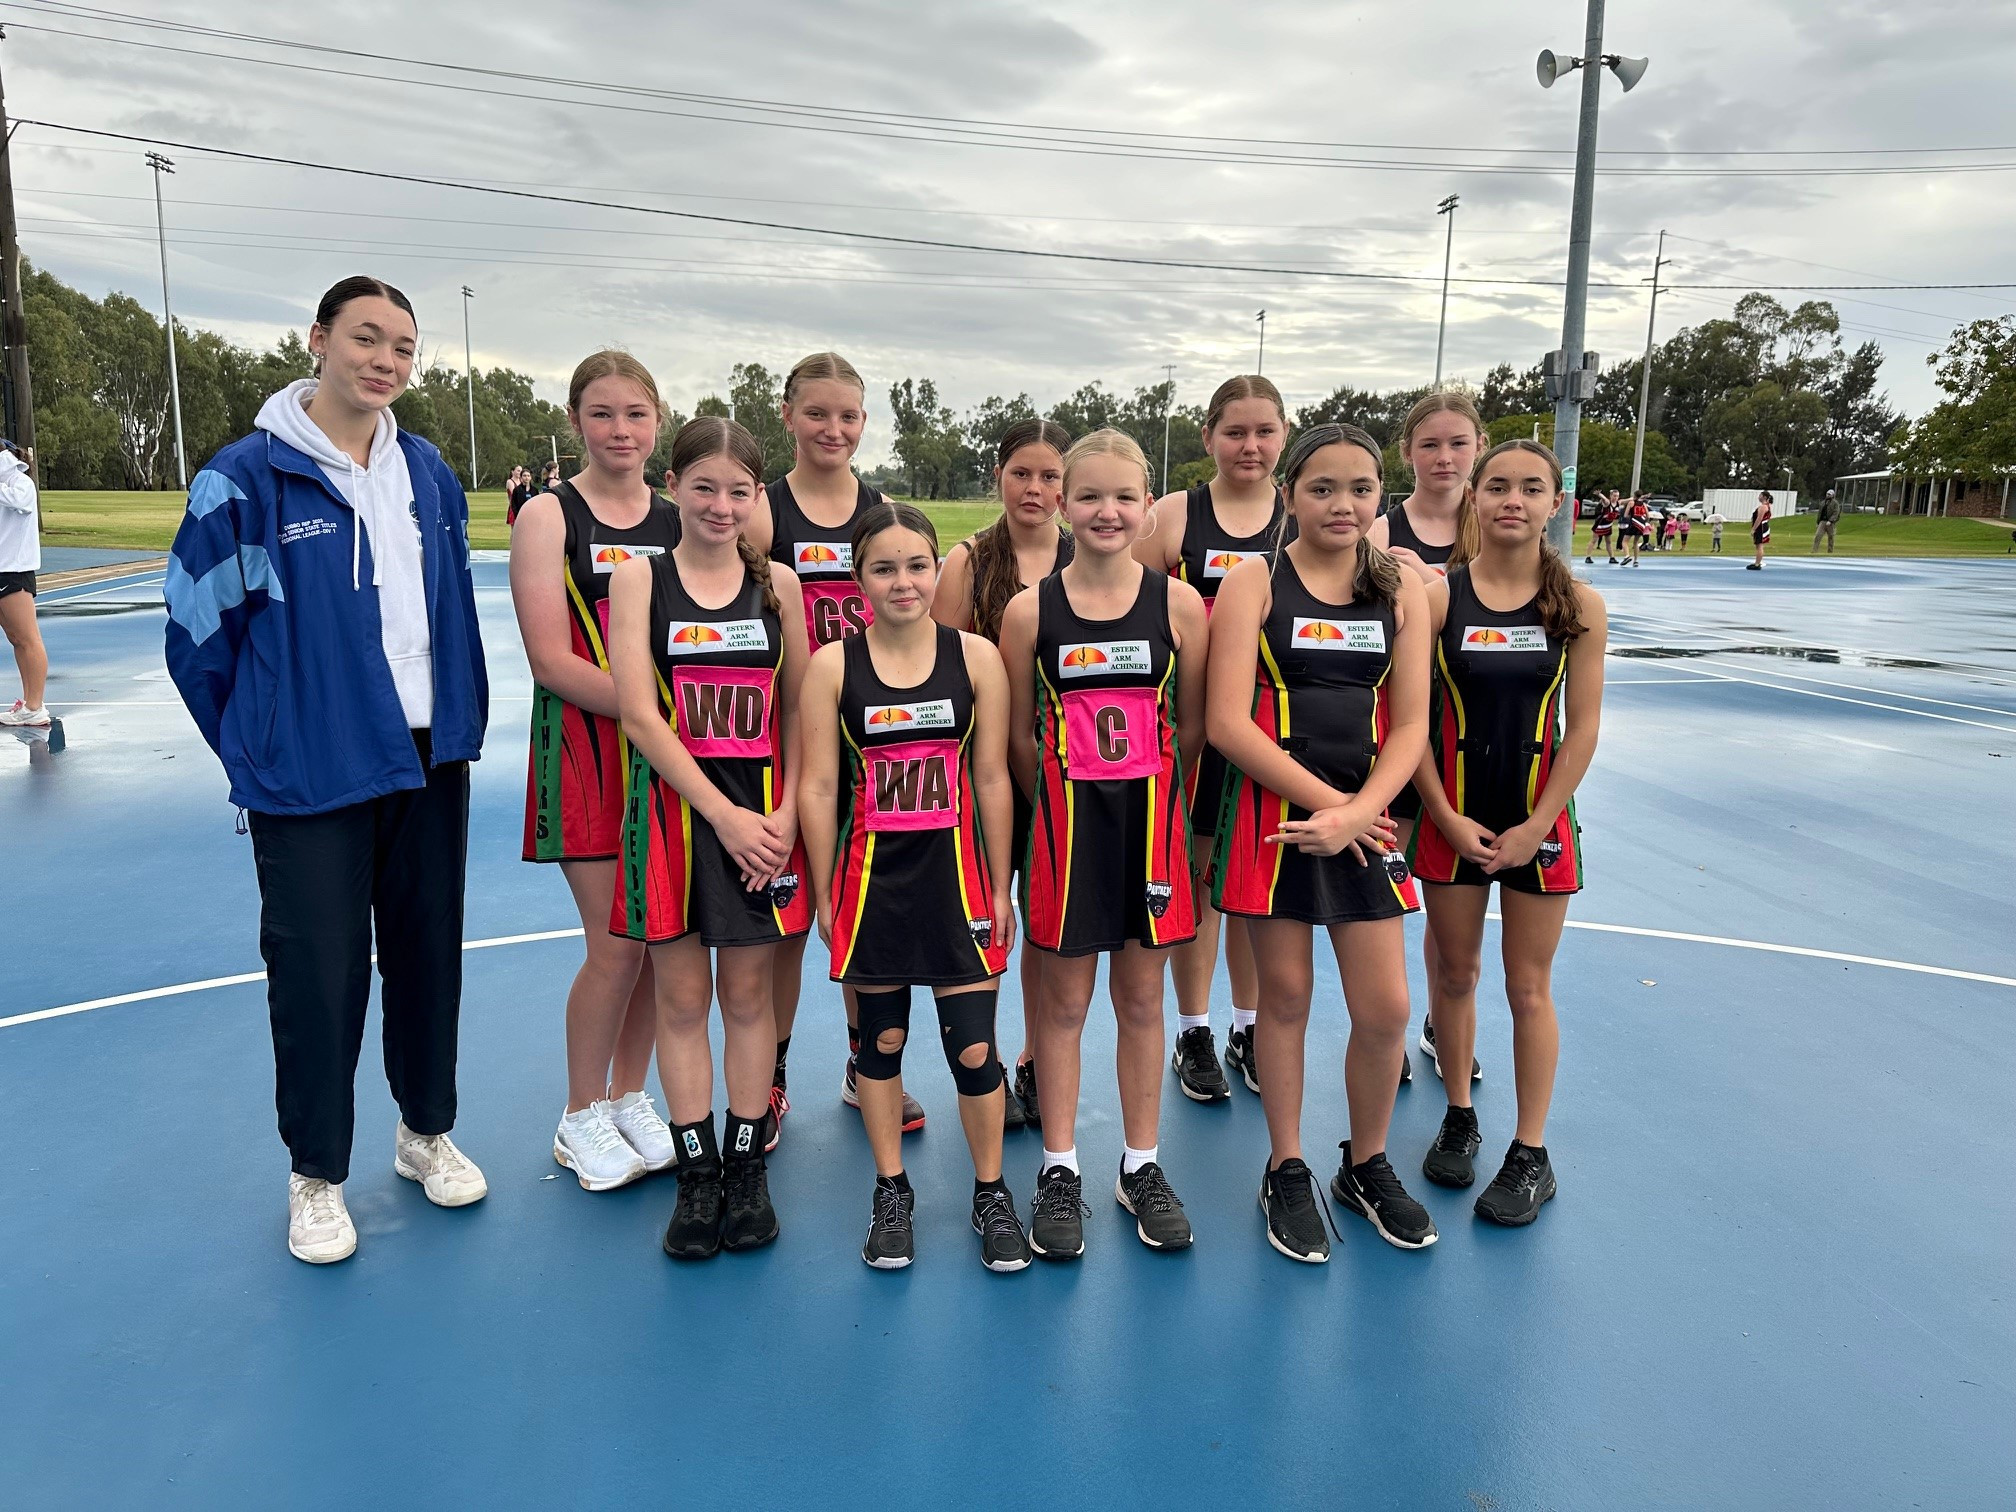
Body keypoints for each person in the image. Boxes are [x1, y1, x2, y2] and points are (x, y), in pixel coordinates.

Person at [164, 275, 489, 1265]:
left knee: (430, 956)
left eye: (402, 344)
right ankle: (316, 1176)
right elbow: (195, 632)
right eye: (366, 338)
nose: (385, 360)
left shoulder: (427, 470)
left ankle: (424, 1132)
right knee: (318, 974)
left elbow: (449, 611)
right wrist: (262, 743)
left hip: (427, 758)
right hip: (308, 774)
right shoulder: (244, 478)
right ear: (318, 339)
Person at [1207, 423, 1436, 1262]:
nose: (1343, 504)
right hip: (1279, 824)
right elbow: (1228, 722)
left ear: (1381, 496)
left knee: (1386, 1010)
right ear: (1291, 493)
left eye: (1361, 489)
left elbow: (1412, 723)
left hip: (1365, 824)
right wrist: (1328, 808)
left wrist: (1361, 809)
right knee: (1288, 1000)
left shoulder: (1400, 588)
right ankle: (1288, 1165)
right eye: (1323, 488)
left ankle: (1366, 1162)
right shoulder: (1253, 582)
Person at [800, 502, 1031, 1271]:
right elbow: (819, 785)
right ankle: (891, 1189)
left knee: (974, 1050)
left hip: (959, 882)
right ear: (858, 578)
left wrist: (1001, 884)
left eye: (916, 565)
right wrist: (828, 893)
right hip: (872, 885)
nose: (903, 581)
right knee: (881, 1043)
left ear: (937, 568)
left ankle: (990, 1192)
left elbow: (993, 776)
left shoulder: (976, 658)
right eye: (883, 568)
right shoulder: (834, 665)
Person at [607, 416, 811, 1260]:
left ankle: (746, 1165)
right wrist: (720, 817)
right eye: (703, 488)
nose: (720, 505)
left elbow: (801, 711)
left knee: (750, 1000)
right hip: (678, 819)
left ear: (756, 497)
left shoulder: (783, 588)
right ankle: (696, 1180)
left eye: (737, 491)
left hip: (763, 822)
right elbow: (638, 716)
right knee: (683, 1002)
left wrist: (788, 815)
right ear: (673, 488)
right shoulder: (638, 583)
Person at [1001, 428, 1209, 1257]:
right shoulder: (1029, 611)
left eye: (1125, 496)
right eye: (1088, 495)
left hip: (1150, 835)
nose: (1107, 511)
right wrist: (1052, 812)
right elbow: (1018, 737)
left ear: (1148, 506)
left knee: (1142, 1001)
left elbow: (1190, 730)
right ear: (1062, 503)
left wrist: (1163, 811)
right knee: (1062, 1003)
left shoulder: (1180, 605)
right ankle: (1059, 1167)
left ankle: (1141, 1163)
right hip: (1064, 835)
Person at [1410, 439, 1607, 1226]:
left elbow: (1583, 729)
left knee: (1528, 986)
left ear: (1555, 503)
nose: (1512, 501)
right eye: (1497, 487)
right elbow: (1410, 725)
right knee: (1454, 975)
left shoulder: (1578, 605)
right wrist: (1446, 816)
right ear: (1474, 499)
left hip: (1537, 821)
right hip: (1453, 816)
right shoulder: (1436, 600)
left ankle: (1531, 1152)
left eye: (1531, 488)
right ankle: (1459, 1113)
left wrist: (1539, 823)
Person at [510, 352, 684, 1192]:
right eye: (604, 413)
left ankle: (630, 1095)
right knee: (616, 943)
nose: (621, 430)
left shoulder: (683, 516)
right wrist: (652, 711)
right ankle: (578, 1113)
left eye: (636, 414)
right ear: (576, 418)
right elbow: (550, 660)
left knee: (660, 941)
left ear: (658, 422)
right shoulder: (550, 515)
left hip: (667, 756)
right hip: (590, 747)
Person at [744, 352, 916, 1142]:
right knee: (785, 921)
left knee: (867, 913)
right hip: (786, 745)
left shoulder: (880, 511)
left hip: (866, 745)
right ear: (786, 415)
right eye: (817, 413)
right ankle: (771, 1077)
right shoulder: (764, 511)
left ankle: (863, 1065)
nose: (833, 429)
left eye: (848, 415)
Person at [1133, 375, 1288, 1107]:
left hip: (1282, 734)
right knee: (1195, 881)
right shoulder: (1174, 517)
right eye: (1235, 431)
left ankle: (1248, 1025)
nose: (1249, 445)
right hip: (1195, 728)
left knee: (1257, 882)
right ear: (1208, 438)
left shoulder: (1308, 512)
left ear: (1285, 434)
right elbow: (1122, 611)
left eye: (1264, 431)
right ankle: (1193, 1028)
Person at [932, 416, 1075, 1132]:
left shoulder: (1090, 558)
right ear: (999, 475)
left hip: (1065, 781)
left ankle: (1035, 1058)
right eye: (1023, 472)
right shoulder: (969, 561)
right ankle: (980, 1062)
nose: (1036, 488)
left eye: (1051, 475)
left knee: (1050, 931)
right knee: (986, 918)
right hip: (981, 776)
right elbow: (933, 670)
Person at [1369, 392, 1486, 1088]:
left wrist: (1439, 586)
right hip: (1399, 732)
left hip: (1471, 735)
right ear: (1407, 452)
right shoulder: (1379, 530)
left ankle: (1446, 1020)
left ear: (1478, 447)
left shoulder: (1500, 521)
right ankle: (1391, 1023)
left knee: (1453, 912)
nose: (1445, 458)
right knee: (1390, 891)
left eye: (1459, 444)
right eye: (1430, 445)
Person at [0, 441, 50, 727]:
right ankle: (29, 705)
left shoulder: (21, 482)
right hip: (2, 570)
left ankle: (35, 706)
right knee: (16, 639)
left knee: (29, 638)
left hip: (14, 571)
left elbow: (17, 501)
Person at [1748, 491, 1773, 570]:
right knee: (1758, 545)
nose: (1758, 497)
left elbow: (1759, 519)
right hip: (1762, 527)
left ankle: (1757, 564)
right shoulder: (1766, 506)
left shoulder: (1763, 507)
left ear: (1764, 497)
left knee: (1759, 546)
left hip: (1761, 528)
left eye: (1760, 495)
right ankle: (1757, 561)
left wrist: (1753, 529)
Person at [1587, 494, 1613, 566]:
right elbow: (1605, 499)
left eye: (1617, 496)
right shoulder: (1606, 503)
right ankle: (1588, 557)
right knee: (1594, 539)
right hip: (1600, 523)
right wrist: (1600, 495)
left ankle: (1612, 557)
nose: (1616, 497)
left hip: (1608, 524)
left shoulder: (1616, 503)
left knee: (1608, 541)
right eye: (1614, 496)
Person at [1813, 488, 1840, 554]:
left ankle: (1830, 551)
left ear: (1832, 495)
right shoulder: (1822, 503)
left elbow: (1836, 513)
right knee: (1818, 536)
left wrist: (1831, 520)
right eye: (1827, 494)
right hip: (1822, 521)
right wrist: (1818, 522)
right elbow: (1820, 513)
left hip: (1830, 523)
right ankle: (1814, 550)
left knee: (1831, 537)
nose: (1828, 495)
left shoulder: (1835, 503)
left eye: (1829, 494)